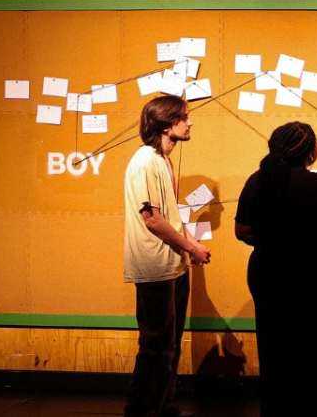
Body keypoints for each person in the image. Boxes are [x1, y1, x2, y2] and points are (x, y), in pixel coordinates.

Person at [234, 122, 317, 416]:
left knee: (277, 350)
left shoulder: (256, 182)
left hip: (269, 276)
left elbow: (242, 230)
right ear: (309, 152)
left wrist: (274, 238)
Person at [123, 94, 212, 417]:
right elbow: (153, 219)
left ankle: (161, 406)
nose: (190, 122)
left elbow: (170, 217)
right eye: (184, 117)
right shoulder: (146, 161)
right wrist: (191, 246)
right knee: (156, 347)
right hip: (154, 269)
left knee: (168, 346)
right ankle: (142, 412)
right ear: (166, 123)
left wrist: (192, 248)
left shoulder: (162, 161)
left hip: (172, 267)